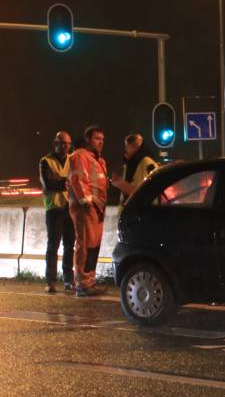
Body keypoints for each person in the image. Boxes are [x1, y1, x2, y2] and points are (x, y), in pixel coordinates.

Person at [66, 125, 108, 297]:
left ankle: (89, 281)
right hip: (86, 207)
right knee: (85, 244)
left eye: (102, 139)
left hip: (98, 207)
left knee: (93, 246)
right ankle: (82, 284)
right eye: (97, 138)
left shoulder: (99, 159)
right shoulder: (80, 156)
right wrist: (85, 200)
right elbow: (77, 178)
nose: (101, 142)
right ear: (88, 139)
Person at [39, 131, 75, 293]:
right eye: (62, 143)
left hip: (70, 208)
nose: (65, 146)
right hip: (54, 209)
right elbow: (48, 184)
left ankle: (69, 280)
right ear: (55, 143)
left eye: (67, 143)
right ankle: (51, 281)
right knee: (53, 246)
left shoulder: (73, 160)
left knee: (69, 245)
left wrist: (58, 179)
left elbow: (76, 181)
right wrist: (65, 182)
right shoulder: (45, 161)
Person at [110, 133, 159, 206]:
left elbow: (152, 188)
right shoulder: (130, 164)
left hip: (142, 208)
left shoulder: (146, 162)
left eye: (126, 146)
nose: (125, 149)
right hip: (132, 207)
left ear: (134, 146)